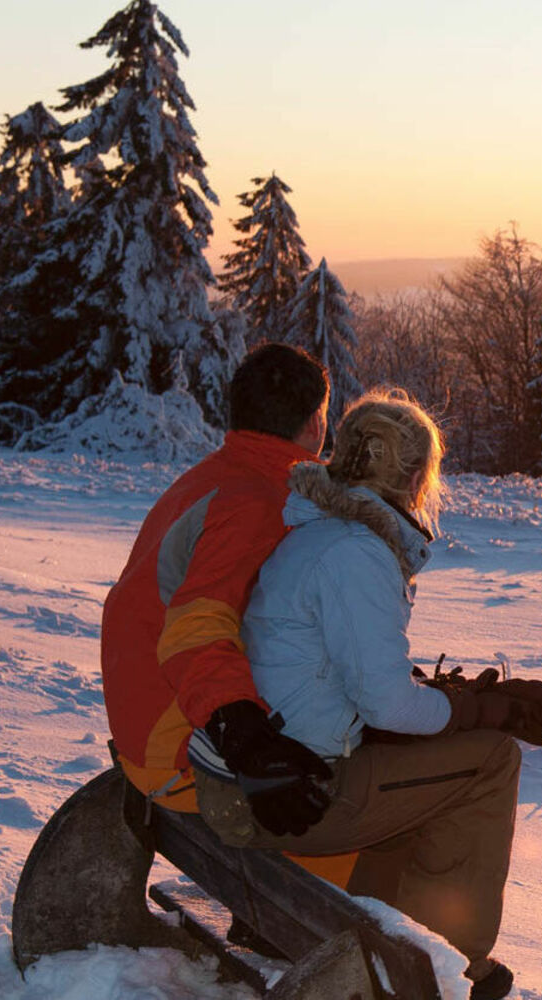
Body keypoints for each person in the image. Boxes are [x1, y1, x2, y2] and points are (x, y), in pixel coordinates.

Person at [187, 388, 542, 1000]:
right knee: (491, 761)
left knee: (424, 767)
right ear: (416, 476)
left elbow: (347, 678)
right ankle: (450, 967)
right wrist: (481, 712)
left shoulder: (318, 533)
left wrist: (449, 704)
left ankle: (391, 933)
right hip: (290, 795)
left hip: (255, 777)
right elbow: (386, 705)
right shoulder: (358, 553)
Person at [101, 343, 339, 833]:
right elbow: (197, 630)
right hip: (180, 753)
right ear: (316, 423)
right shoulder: (258, 501)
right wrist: (247, 741)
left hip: (146, 728)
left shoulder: (210, 479)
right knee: (398, 793)